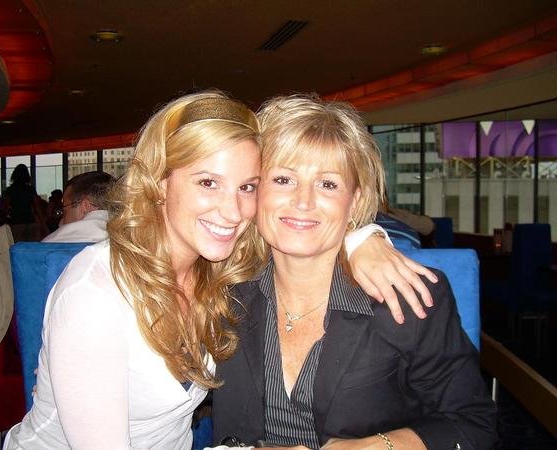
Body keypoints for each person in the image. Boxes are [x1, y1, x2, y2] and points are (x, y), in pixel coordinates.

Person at [4, 91, 435, 450]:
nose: (232, 211)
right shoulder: (96, 294)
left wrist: (362, 237)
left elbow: (308, 223)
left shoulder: (222, 271)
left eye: (247, 187)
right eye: (207, 182)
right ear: (159, 182)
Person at [212, 94, 497, 450]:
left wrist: (378, 446)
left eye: (328, 184)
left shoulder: (406, 297)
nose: (303, 201)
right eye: (283, 179)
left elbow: (474, 424)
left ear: (356, 200)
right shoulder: (221, 290)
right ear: (256, 192)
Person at [42, 171, 115, 243]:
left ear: (85, 206)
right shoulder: (119, 237)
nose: (62, 219)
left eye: (64, 210)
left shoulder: (51, 243)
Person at [3, 164, 46, 242]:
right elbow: (37, 207)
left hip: (16, 222)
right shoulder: (31, 189)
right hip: (30, 221)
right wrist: (43, 224)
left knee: (18, 246)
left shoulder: (10, 190)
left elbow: (5, 207)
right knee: (31, 246)